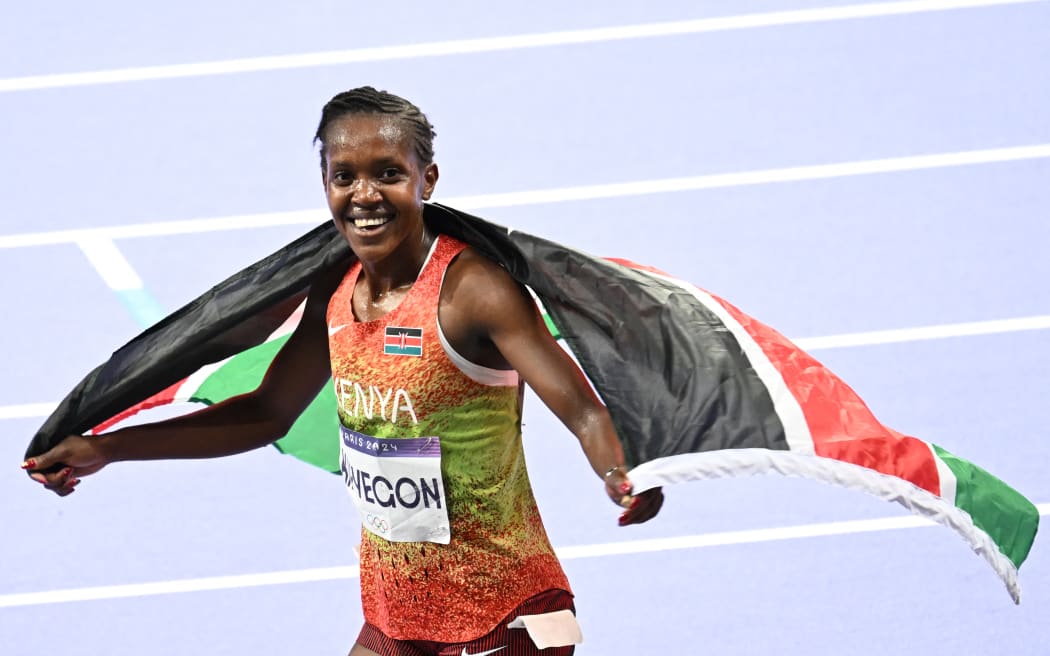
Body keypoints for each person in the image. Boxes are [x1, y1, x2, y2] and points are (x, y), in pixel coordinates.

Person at [22, 86, 664, 656]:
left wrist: (620, 471)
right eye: (343, 176)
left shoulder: (474, 292)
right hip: (393, 618)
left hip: (503, 618)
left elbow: (583, 410)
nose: (364, 196)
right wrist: (107, 449)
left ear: (427, 179)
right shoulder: (335, 285)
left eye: (388, 174)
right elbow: (266, 413)